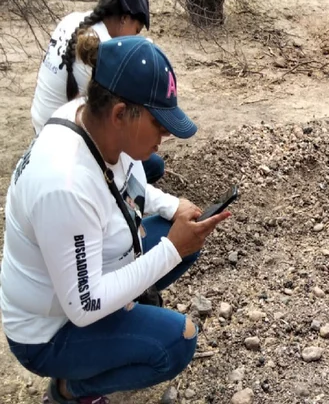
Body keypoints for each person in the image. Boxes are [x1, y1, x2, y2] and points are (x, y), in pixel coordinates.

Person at [0, 32, 230, 404]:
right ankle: (69, 389)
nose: (168, 133)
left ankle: (123, 317)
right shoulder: (65, 185)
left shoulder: (91, 122)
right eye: (159, 122)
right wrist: (170, 249)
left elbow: (132, 186)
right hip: (48, 331)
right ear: (121, 114)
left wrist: (173, 208)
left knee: (190, 237)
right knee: (177, 341)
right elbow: (85, 304)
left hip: (78, 290)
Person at [29, 0, 166, 184]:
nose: (135, 38)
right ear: (124, 19)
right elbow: (119, 110)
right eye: (135, 31)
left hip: (41, 122)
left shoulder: (73, 20)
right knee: (152, 166)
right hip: (62, 145)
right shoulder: (101, 50)